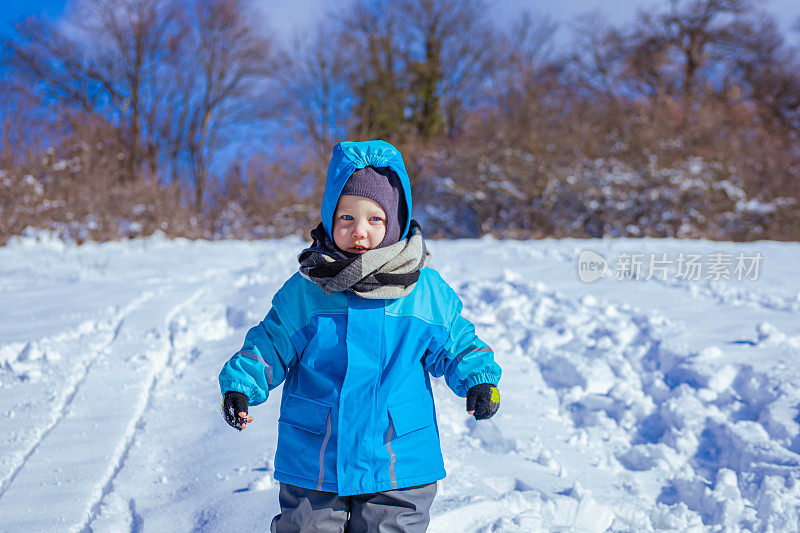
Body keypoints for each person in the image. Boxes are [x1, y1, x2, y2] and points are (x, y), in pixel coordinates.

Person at [218, 139, 502, 532]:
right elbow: (270, 344)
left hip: (397, 458)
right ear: (328, 219)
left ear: (396, 223)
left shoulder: (422, 290)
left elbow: (459, 343)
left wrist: (480, 380)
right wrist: (241, 386)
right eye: (346, 218)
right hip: (315, 456)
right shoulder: (308, 290)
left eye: (375, 219)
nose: (359, 232)